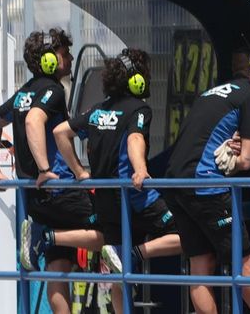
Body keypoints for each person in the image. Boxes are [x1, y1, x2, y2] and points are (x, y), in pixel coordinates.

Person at [0, 29, 105, 314]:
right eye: (64, 54)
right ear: (49, 60)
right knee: (106, 231)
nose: (70, 58)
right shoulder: (53, 90)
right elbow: (33, 121)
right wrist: (45, 169)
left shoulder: (23, 93)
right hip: (59, 189)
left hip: (35, 197)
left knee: (58, 264)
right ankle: (45, 236)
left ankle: (47, 236)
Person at [162, 51, 250, 314]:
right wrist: (234, 155)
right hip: (204, 184)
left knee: (200, 264)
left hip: (174, 182)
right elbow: (246, 161)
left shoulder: (210, 94)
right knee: (246, 262)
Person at [75, 49, 182, 270]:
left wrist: (78, 171)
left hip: (107, 202)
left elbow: (60, 132)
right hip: (135, 197)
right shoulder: (139, 109)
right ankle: (133, 254)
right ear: (136, 80)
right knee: (187, 235)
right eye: (146, 73)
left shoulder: (97, 110)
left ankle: (123, 257)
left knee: (118, 270)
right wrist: (141, 170)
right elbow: (135, 138)